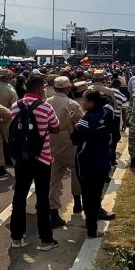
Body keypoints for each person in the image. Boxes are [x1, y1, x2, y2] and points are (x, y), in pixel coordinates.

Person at [8, 75, 60, 250]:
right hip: (42, 158)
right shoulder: (46, 107)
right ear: (38, 88)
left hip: (22, 158)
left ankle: (16, 237)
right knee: (42, 198)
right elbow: (56, 127)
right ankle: (45, 239)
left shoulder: (16, 106)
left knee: (19, 196)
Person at [71, 89, 115, 239]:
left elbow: (75, 138)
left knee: (88, 198)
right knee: (96, 195)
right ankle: (93, 227)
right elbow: (109, 104)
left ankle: (91, 229)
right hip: (103, 161)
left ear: (91, 103)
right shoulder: (106, 113)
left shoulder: (87, 119)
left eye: (84, 100)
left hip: (87, 163)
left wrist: (74, 122)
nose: (82, 103)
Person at [47, 76, 84, 228]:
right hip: (69, 142)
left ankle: (54, 212)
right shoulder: (72, 104)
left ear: (55, 88)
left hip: (51, 143)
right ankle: (77, 202)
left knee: (53, 180)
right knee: (77, 172)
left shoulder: (47, 102)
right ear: (68, 88)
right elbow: (81, 123)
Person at [0, 69, 19, 173]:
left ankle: (0, 166)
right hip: (8, 118)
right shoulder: (11, 91)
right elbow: (15, 106)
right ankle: (16, 163)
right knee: (11, 142)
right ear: (8, 78)